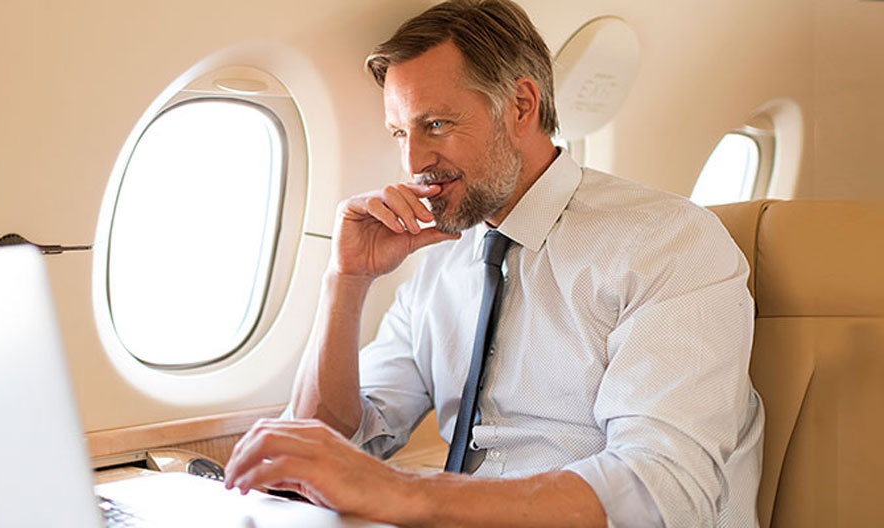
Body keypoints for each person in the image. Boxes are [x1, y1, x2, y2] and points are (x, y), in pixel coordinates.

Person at [221, 1, 764, 526]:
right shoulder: (438, 266)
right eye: (400, 133)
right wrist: (346, 281)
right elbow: (333, 443)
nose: (414, 162)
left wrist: (404, 492)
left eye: (435, 124)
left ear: (521, 106)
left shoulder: (667, 243)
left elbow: (662, 491)